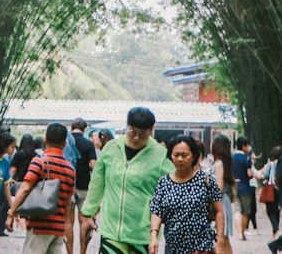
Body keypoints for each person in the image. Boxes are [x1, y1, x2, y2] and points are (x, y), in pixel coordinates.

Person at [83, 107, 171, 254]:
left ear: (151, 130)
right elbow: (97, 184)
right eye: (132, 132)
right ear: (127, 126)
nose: (136, 137)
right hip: (112, 232)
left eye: (142, 134)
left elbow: (173, 185)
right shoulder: (110, 149)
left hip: (143, 234)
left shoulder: (161, 155)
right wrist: (88, 213)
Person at [149, 136, 230, 254]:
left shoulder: (206, 180)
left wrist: (220, 241)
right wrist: (154, 236)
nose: (180, 159)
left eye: (184, 155)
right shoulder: (163, 182)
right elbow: (156, 211)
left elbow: (219, 211)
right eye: (176, 155)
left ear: (193, 156)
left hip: (201, 248)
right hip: (173, 248)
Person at [8, 122, 78, 254]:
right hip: (58, 229)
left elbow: (25, 188)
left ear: (45, 140)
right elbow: (68, 203)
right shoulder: (70, 169)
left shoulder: (39, 162)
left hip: (39, 226)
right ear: (65, 144)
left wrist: (11, 212)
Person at [70, 120, 100, 254]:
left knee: (68, 222)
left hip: (68, 185)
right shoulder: (89, 144)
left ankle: (69, 251)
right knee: (84, 221)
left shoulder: (66, 143)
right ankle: (82, 251)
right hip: (84, 186)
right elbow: (93, 165)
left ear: (72, 127)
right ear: (84, 129)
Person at [209, 135, 236, 241]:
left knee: (222, 239)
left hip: (220, 202)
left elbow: (218, 186)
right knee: (223, 239)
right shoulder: (225, 163)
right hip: (224, 200)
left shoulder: (219, 164)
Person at [232, 139, 256, 238]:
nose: (249, 148)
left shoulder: (231, 157)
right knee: (245, 212)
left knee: (237, 210)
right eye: (248, 145)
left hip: (234, 186)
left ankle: (238, 233)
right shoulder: (246, 159)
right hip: (245, 186)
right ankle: (242, 233)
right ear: (244, 146)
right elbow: (249, 174)